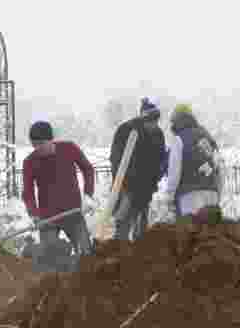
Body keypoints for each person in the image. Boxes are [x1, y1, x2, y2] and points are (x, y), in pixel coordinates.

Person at [21, 119, 96, 256]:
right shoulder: (30, 162)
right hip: (48, 218)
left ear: (51, 140)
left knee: (86, 253)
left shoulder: (69, 149)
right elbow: (28, 193)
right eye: (34, 145)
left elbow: (88, 169)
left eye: (41, 144)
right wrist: (34, 214)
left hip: (73, 213)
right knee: (50, 257)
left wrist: (88, 196)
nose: (38, 148)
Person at [108, 97, 166, 241]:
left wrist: (155, 179)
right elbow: (116, 159)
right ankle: (119, 249)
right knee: (123, 223)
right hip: (126, 187)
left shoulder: (158, 134)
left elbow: (160, 159)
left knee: (141, 227)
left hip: (145, 188)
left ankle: (139, 248)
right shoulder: (126, 130)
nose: (153, 124)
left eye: (156, 121)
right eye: (150, 121)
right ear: (143, 118)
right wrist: (122, 185)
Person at [165, 104, 224, 221]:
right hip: (212, 195)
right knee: (211, 231)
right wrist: (217, 193)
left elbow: (174, 171)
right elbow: (219, 168)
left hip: (189, 198)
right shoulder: (208, 138)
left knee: (191, 231)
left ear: (177, 120)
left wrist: (169, 197)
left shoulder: (179, 139)